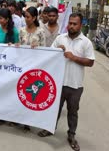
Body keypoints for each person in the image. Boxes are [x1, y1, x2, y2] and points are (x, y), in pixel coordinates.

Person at [38, 13, 95, 151]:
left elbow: (90, 62)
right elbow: (50, 54)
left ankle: (71, 136)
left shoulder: (86, 42)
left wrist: (73, 57)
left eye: (75, 24)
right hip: (59, 83)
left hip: (75, 85)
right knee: (54, 109)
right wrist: (58, 50)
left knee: (72, 111)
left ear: (81, 25)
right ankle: (49, 129)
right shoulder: (60, 38)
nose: (71, 26)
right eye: (70, 23)